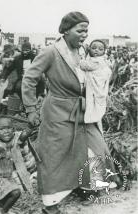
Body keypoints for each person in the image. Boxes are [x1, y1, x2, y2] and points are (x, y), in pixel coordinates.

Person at [22, 12, 118, 214]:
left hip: (85, 111)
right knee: (55, 156)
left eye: (86, 31)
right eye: (80, 30)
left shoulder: (83, 51)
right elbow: (29, 78)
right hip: (58, 112)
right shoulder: (51, 52)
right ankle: (50, 204)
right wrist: (31, 108)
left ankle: (85, 186)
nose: (84, 35)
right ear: (65, 30)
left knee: (95, 148)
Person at [79, 40, 112, 123]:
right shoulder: (93, 59)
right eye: (94, 48)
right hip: (95, 82)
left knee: (93, 103)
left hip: (97, 84)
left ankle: (91, 118)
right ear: (89, 49)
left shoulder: (98, 60)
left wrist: (80, 60)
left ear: (104, 52)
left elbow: (84, 66)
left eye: (100, 49)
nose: (96, 50)